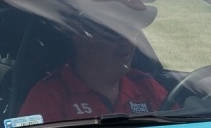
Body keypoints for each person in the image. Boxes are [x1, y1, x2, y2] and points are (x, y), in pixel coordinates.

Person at [19, 8, 166, 121]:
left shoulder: (146, 86)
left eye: (131, 32)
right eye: (114, 34)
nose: (127, 42)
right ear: (82, 42)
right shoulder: (48, 96)